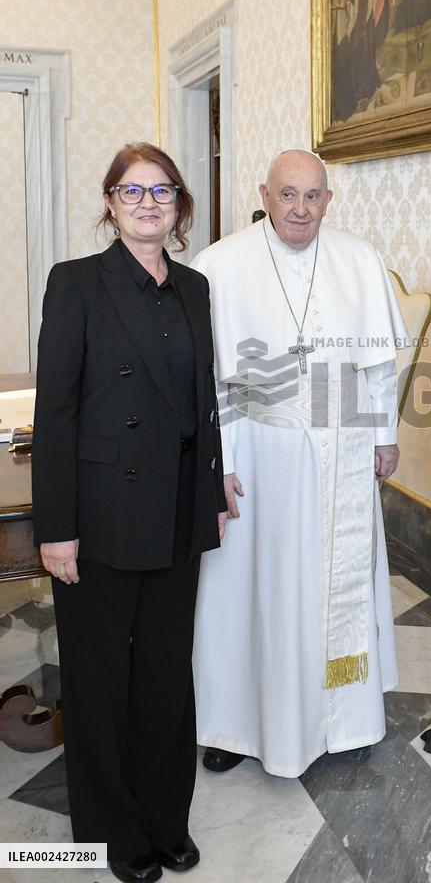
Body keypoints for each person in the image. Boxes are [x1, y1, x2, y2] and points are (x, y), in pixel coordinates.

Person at [32, 143, 227, 883]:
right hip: (102, 517)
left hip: (178, 512)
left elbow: (204, 409)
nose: (149, 204)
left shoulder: (195, 288)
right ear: (109, 203)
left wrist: (210, 497)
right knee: (99, 680)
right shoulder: (76, 283)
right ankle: (115, 833)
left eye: (162, 191)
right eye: (132, 191)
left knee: (166, 677)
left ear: (180, 205)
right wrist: (56, 528)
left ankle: (165, 819)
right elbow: (57, 413)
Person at [191, 148, 406, 778]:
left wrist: (383, 436)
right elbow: (209, 383)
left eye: (313, 196)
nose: (301, 209)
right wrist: (219, 463)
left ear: (329, 200)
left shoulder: (359, 259)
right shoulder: (220, 264)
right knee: (251, 588)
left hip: (342, 452)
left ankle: (348, 711)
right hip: (258, 456)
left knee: (340, 587)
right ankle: (235, 722)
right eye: (288, 195)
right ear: (265, 194)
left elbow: (377, 368)